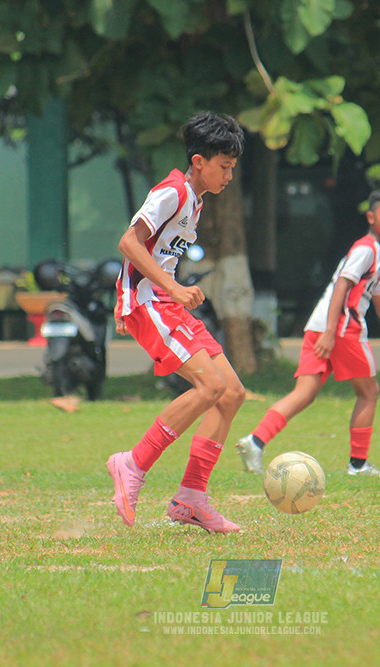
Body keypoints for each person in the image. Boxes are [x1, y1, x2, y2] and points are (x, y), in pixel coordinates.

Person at [105, 111, 245, 533]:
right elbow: (129, 241)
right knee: (211, 386)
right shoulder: (173, 191)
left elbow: (148, 250)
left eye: (232, 169)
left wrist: (135, 290)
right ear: (199, 161)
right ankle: (132, 463)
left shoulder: (195, 200)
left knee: (232, 393)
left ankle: (191, 498)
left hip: (163, 301)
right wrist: (164, 289)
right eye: (224, 167)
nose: (228, 177)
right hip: (154, 302)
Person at [235, 189, 380, 477]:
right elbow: (341, 285)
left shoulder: (377, 257)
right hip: (340, 329)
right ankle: (358, 465)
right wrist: (330, 331)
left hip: (320, 325)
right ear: (371, 216)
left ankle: (255, 441)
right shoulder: (367, 249)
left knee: (304, 393)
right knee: (369, 391)